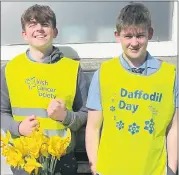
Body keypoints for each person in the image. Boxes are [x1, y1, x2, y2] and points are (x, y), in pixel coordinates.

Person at [86, 3, 177, 175]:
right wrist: (95, 169)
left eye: (140, 35)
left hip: (153, 171)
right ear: (117, 36)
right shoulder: (104, 73)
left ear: (150, 33)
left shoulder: (169, 76)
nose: (134, 43)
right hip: (109, 171)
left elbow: (173, 128)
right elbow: (93, 127)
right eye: (128, 36)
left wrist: (171, 169)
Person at [1, 4, 88, 175]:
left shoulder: (72, 69)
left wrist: (66, 117)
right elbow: (1, 111)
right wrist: (18, 128)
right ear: (24, 34)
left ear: (55, 32)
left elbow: (87, 113)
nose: (39, 29)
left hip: (63, 161)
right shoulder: (10, 69)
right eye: (33, 25)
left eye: (45, 24)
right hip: (24, 162)